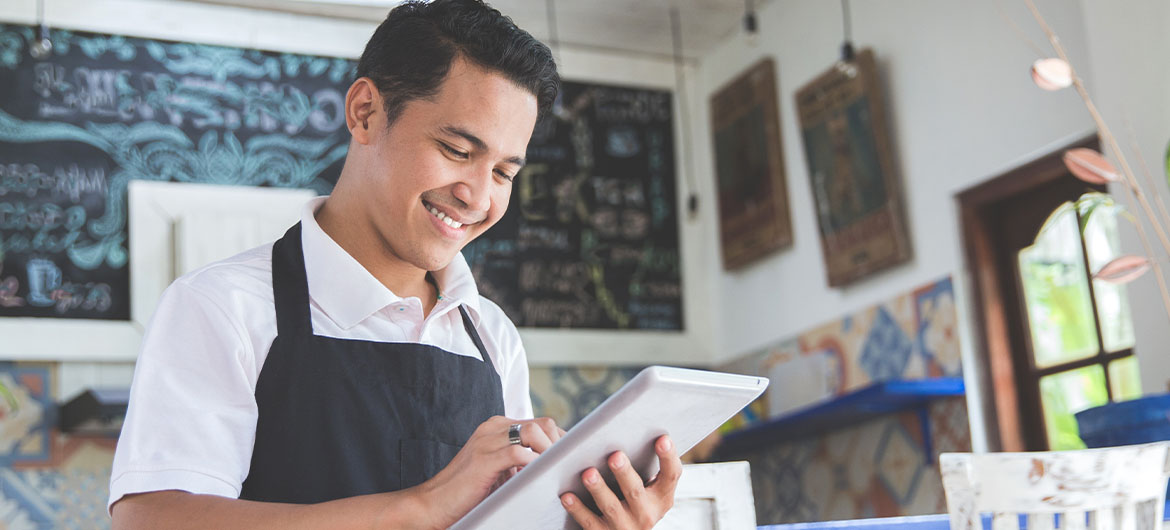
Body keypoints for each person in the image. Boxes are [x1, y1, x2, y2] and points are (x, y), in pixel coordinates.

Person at [107, 1, 682, 528]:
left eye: (505, 173)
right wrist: (423, 506)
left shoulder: (492, 336)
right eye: (457, 151)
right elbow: (151, 520)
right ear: (365, 113)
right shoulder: (223, 306)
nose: (479, 197)